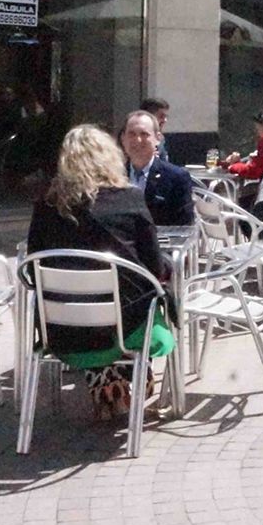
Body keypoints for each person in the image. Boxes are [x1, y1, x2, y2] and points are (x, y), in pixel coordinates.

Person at [25, 125, 175, 420]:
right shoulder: (129, 199)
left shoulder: (46, 206)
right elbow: (155, 269)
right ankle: (129, 369)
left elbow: (32, 268)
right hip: (124, 328)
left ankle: (105, 374)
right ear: (110, 157)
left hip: (63, 332)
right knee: (152, 297)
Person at [120, 110, 194, 226]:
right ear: (123, 138)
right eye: (131, 134)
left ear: (158, 138)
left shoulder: (176, 178)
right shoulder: (112, 175)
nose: (137, 140)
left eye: (144, 134)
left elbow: (184, 227)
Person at [140, 97, 171, 161]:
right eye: (161, 116)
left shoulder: (160, 137)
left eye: (166, 117)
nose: (165, 120)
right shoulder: (133, 137)